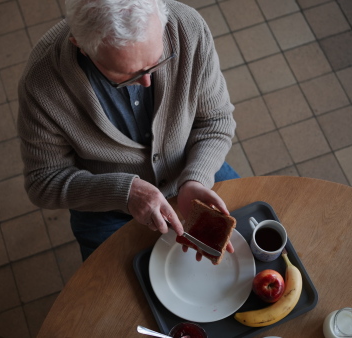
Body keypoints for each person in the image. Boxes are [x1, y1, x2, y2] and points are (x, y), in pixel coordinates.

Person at [17, 0, 239, 261]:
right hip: (108, 208)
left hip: (194, 166)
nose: (146, 82)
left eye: (157, 62)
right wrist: (126, 193)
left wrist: (196, 178)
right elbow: (43, 181)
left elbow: (217, 121)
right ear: (81, 45)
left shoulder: (187, 29)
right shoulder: (41, 85)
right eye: (127, 75)